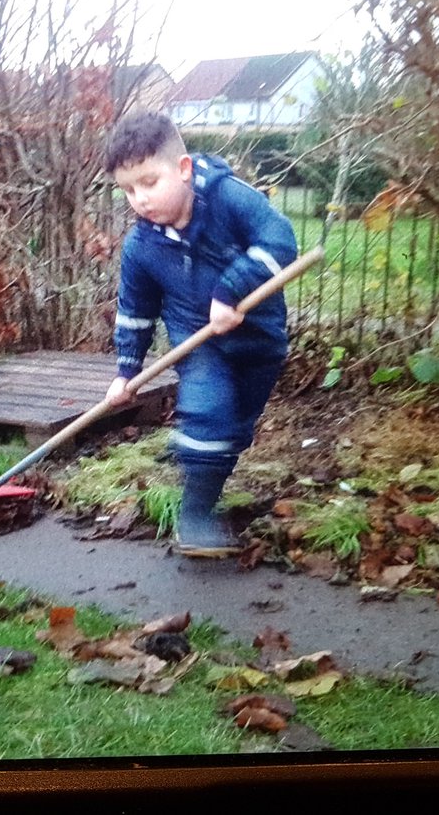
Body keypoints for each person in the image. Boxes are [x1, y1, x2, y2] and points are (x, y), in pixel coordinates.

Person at [102, 111, 298, 558]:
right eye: (129, 190)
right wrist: (126, 371)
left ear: (184, 169)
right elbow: (135, 312)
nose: (140, 199)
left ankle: (201, 461)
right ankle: (195, 514)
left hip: (261, 342)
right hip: (200, 344)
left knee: (234, 430)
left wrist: (231, 289)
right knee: (210, 414)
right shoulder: (142, 246)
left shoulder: (230, 200)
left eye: (150, 182)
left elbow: (281, 241)